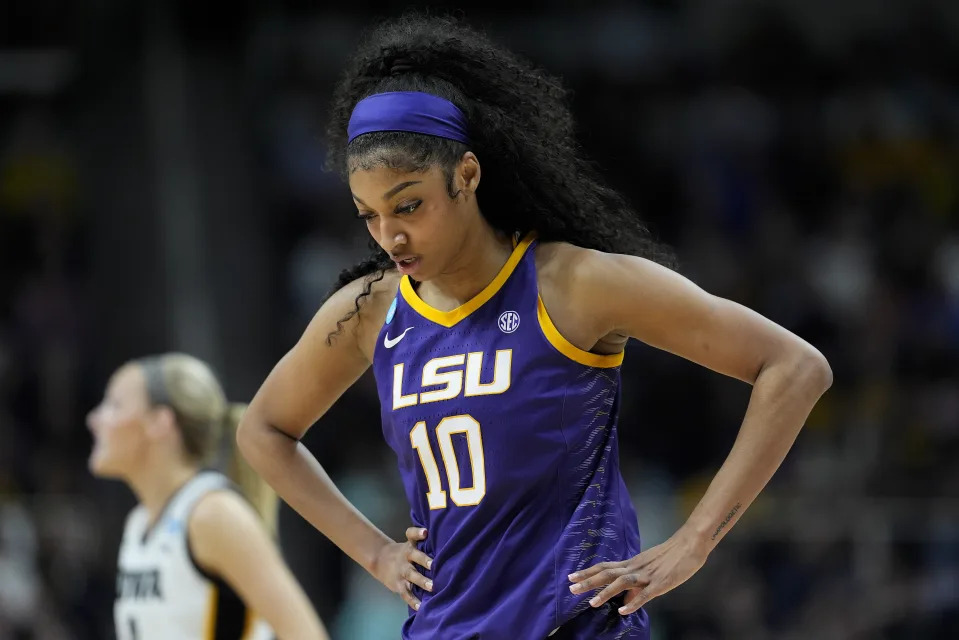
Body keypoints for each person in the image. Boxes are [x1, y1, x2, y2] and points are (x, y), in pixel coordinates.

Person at [236, 12, 832, 640]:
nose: (392, 235)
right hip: (444, 627)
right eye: (369, 215)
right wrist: (375, 551)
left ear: (466, 175)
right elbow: (265, 430)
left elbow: (794, 368)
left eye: (409, 205)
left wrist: (695, 541)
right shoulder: (369, 310)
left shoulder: (574, 284)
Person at [87, 353, 329, 640]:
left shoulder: (211, 514)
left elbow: (306, 633)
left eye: (114, 405)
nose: (94, 419)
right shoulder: (138, 524)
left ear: (160, 422)